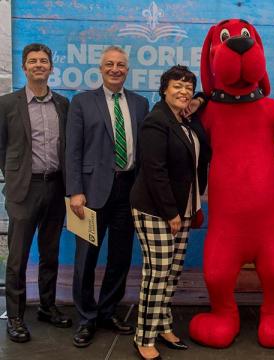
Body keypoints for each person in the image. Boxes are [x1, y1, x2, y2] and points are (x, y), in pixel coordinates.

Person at [66, 45, 150, 348]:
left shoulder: (141, 104)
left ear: (127, 70)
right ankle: (86, 318)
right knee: (85, 258)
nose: (116, 69)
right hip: (89, 193)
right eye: (109, 64)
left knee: (120, 256)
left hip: (129, 190)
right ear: (100, 69)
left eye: (121, 65)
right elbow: (72, 150)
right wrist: (75, 190)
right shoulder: (82, 102)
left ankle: (108, 311)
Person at [130, 65, 210, 360]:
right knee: (157, 273)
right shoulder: (156, 120)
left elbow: (207, 97)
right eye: (177, 85)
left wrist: (197, 101)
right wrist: (171, 213)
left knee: (172, 273)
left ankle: (163, 324)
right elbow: (154, 171)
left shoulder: (183, 119)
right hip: (156, 210)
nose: (184, 91)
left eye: (188, 86)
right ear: (164, 89)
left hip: (184, 210)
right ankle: (144, 336)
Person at [0, 43, 72, 343]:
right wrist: (13, 176)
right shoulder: (7, 104)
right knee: (17, 257)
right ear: (24, 67)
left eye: (44, 60)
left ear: (51, 67)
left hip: (56, 187)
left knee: (50, 252)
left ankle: (46, 306)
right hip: (24, 189)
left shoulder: (63, 104)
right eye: (33, 61)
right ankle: (15, 315)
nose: (39, 65)